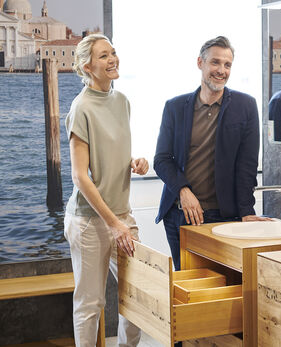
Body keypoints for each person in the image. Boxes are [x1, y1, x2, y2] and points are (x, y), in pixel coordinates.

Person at [154, 36, 268, 271]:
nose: (221, 71)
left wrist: (246, 211)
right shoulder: (175, 107)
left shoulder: (245, 105)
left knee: (222, 289)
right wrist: (183, 191)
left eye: (227, 65)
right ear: (200, 63)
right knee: (188, 290)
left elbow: (246, 166)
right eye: (215, 62)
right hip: (179, 215)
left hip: (223, 216)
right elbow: (162, 159)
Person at [64, 34, 149, 346]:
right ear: (87, 66)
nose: (112, 59)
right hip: (89, 221)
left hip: (122, 216)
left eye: (113, 53)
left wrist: (134, 162)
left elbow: (110, 154)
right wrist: (114, 224)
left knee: (139, 295)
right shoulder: (81, 108)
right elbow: (80, 176)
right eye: (103, 56)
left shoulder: (122, 101)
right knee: (90, 304)